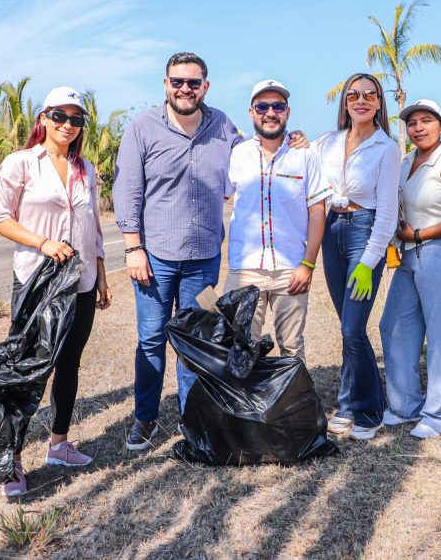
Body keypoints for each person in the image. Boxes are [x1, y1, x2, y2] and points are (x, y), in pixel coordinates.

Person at [113, 53, 307, 451]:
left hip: (203, 257)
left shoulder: (223, 127)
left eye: (193, 82)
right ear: (166, 84)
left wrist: (293, 139)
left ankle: (191, 417)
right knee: (151, 339)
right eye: (177, 82)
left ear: (206, 86)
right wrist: (133, 247)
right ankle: (145, 418)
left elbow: (259, 150)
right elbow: (127, 189)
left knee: (197, 341)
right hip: (155, 257)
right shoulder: (143, 127)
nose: (185, 89)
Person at [0, 87, 112, 497]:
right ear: (43, 117)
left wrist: (103, 273)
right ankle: (12, 460)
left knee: (69, 363)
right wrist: (43, 244)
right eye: (60, 116)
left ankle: (59, 444)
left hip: (81, 283)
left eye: (77, 119)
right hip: (37, 282)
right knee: (26, 370)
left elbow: (92, 225)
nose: (68, 125)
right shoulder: (22, 163)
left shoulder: (86, 169)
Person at [313, 73, 401, 440]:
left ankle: (366, 410)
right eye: (353, 94)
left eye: (369, 95)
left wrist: (368, 260)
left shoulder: (387, 148)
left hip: (365, 233)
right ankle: (352, 403)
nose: (361, 100)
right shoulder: (326, 142)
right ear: (345, 102)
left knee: (353, 328)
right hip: (331, 231)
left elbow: (387, 211)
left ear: (379, 103)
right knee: (347, 327)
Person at [379, 100, 441, 438]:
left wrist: (418, 233)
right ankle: (404, 405)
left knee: (440, 333)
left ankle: (439, 415)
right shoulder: (406, 162)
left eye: (426, 121)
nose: (418, 127)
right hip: (408, 255)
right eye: (412, 122)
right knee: (393, 326)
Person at [223, 80, 331, 359]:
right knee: (242, 347)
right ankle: (249, 404)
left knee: (292, 347)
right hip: (245, 270)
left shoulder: (305, 155)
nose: (270, 112)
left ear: (287, 112)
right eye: (262, 106)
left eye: (278, 106)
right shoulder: (238, 155)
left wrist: (307, 264)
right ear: (251, 112)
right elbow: (217, 198)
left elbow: (317, 211)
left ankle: (293, 404)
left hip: (290, 270)